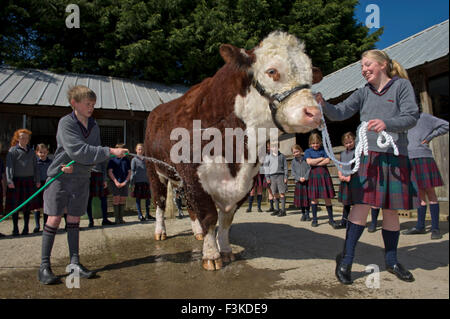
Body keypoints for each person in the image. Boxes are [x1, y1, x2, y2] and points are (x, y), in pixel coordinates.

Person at [316, 49, 419, 284]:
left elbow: (412, 116)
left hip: (395, 156)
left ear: (382, 65)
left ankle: (392, 260)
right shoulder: (363, 92)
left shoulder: (401, 86)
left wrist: (387, 123)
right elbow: (340, 112)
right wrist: (323, 104)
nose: (364, 70)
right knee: (360, 208)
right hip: (368, 158)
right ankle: (346, 260)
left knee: (391, 210)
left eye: (368, 64)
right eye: (362, 67)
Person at [39, 85, 128, 285]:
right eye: (88, 104)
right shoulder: (66, 123)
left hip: (81, 178)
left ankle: (75, 263)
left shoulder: (94, 126)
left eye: (93, 104)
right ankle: (44, 267)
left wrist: (93, 161)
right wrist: (110, 151)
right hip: (59, 178)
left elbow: (93, 153)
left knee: (74, 220)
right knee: (53, 219)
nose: (91, 108)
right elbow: (78, 150)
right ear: (74, 103)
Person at [402, 112, 449, 240]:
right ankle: (420, 226)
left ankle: (435, 228)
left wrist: (429, 137)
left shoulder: (425, 117)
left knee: (430, 193)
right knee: (419, 194)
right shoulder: (404, 120)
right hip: (409, 159)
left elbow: (446, 125)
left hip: (423, 157)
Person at [5, 129, 41, 236]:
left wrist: (37, 180)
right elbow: (9, 166)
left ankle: (26, 228)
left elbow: (36, 167)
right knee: (15, 207)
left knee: (27, 206)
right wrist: (9, 180)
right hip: (16, 181)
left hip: (29, 181)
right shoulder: (12, 151)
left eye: (26, 138)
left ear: (28, 139)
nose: (24, 139)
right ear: (17, 138)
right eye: (22, 137)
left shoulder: (32, 151)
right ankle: (15, 229)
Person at [304, 132, 337, 228]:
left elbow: (327, 160)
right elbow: (309, 161)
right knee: (314, 198)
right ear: (310, 143)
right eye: (313, 143)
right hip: (314, 175)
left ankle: (331, 219)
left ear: (320, 142)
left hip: (324, 175)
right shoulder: (307, 151)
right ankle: (314, 220)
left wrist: (315, 162)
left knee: (327, 198)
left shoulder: (324, 149)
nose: (315, 145)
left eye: (317, 143)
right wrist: (321, 158)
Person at [336, 132, 356, 229]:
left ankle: (355, 223)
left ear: (354, 140)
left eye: (350, 142)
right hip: (344, 179)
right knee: (346, 203)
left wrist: (350, 176)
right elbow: (340, 164)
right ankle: (344, 222)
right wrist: (340, 174)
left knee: (355, 203)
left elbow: (358, 166)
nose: (349, 144)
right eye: (346, 143)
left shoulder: (357, 152)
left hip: (354, 180)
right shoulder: (343, 153)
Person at [86, 159, 114, 227]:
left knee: (104, 199)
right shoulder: (86, 151)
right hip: (88, 177)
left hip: (99, 176)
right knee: (88, 200)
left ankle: (105, 220)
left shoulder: (100, 151)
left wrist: (105, 180)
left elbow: (104, 167)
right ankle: (90, 221)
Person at [130, 143, 154, 222]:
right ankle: (140, 215)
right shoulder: (134, 160)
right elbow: (132, 172)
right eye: (139, 149)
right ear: (136, 150)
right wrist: (132, 183)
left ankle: (148, 214)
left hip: (146, 182)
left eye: (142, 149)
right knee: (138, 199)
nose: (140, 151)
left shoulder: (146, 159)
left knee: (148, 199)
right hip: (138, 182)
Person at [108, 143, 131, 224]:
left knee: (122, 200)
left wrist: (125, 182)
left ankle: (121, 218)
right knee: (116, 199)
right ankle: (116, 219)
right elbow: (110, 172)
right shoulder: (112, 160)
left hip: (124, 183)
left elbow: (129, 172)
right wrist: (116, 182)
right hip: (115, 182)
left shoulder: (126, 160)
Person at [32, 144, 52, 233]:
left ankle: (45, 224)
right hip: (38, 185)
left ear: (47, 152)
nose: (42, 154)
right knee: (37, 206)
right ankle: (37, 225)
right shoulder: (35, 163)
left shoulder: (50, 162)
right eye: (40, 152)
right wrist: (36, 181)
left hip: (48, 185)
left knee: (46, 205)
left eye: (44, 152)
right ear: (37, 153)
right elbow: (34, 173)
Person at [265, 142, 288, 217]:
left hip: (280, 175)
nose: (274, 148)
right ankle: (277, 209)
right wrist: (267, 177)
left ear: (278, 147)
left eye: (276, 147)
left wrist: (285, 177)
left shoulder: (282, 156)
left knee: (282, 193)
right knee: (275, 193)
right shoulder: (268, 157)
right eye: (272, 147)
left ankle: (283, 210)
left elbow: (285, 167)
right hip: (272, 177)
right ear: (270, 148)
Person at [291, 144, 311, 221]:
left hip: (306, 182)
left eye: (297, 151)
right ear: (293, 153)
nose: (296, 153)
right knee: (301, 199)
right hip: (298, 182)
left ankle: (308, 214)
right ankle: (303, 214)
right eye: (294, 152)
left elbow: (309, 168)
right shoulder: (293, 161)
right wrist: (299, 178)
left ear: (300, 150)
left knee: (307, 199)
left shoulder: (306, 159)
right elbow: (293, 172)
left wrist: (305, 177)